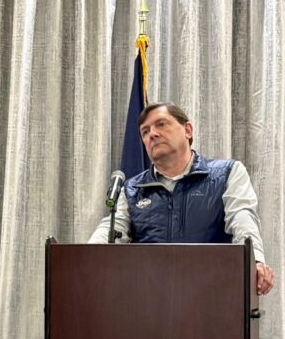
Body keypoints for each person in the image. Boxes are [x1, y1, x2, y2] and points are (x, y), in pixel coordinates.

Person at [89, 102, 275, 296]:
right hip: (148, 303)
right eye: (145, 132)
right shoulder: (131, 189)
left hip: (213, 299)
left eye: (161, 124)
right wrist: (83, 259)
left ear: (187, 130)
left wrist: (255, 261)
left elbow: (242, 218)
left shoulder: (227, 173)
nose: (152, 134)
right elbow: (112, 227)